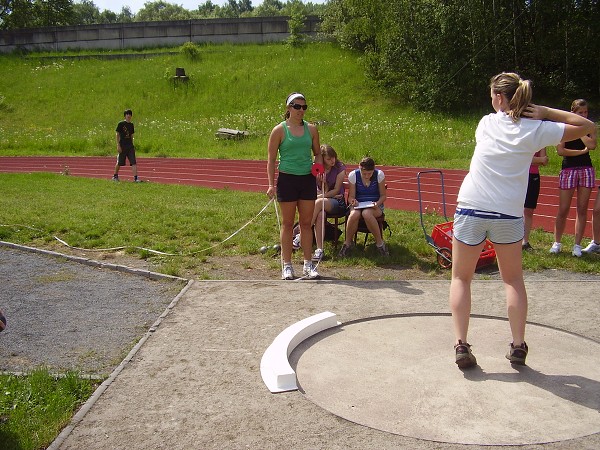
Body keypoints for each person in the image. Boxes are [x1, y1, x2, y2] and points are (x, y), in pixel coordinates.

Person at [450, 72, 595, 369]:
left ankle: (461, 345)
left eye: (493, 94)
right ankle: (518, 346)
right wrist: (545, 112)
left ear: (500, 99)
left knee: (461, 278)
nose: (491, 100)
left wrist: (537, 114)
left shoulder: (486, 123)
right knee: (513, 280)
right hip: (508, 213)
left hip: (472, 207)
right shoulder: (536, 129)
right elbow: (588, 127)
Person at [267, 92, 323, 280]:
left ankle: (308, 265)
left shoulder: (312, 129)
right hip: (287, 179)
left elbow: (317, 154)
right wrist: (270, 184)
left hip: (306, 179)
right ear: (288, 108)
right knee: (288, 223)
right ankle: (287, 265)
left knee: (306, 223)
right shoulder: (279, 130)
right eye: (297, 107)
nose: (301, 110)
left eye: (304, 107)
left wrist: (318, 170)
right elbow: (271, 159)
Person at [549, 99, 597, 257]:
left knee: (582, 209)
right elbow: (561, 151)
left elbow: (592, 146)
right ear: (573, 113)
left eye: (585, 112)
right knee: (563, 208)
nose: (584, 115)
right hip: (569, 168)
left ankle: (577, 245)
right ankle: (557, 242)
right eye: (580, 113)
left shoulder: (590, 127)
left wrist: (582, 131)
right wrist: (580, 152)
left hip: (586, 169)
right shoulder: (565, 127)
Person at [292, 144, 347, 262]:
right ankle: (320, 250)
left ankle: (299, 236)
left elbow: (336, 190)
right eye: (328, 159)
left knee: (318, 202)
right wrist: (324, 188)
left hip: (337, 202)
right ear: (322, 159)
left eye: (333, 157)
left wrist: (321, 195)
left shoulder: (340, 168)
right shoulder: (317, 169)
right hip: (322, 201)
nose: (332, 161)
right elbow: (322, 190)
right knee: (320, 214)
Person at [338, 156, 388, 257]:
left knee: (367, 213)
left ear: (373, 170)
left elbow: (383, 196)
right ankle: (347, 244)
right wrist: (352, 201)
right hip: (358, 204)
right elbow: (351, 196)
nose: (366, 176)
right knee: (354, 214)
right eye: (364, 173)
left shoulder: (379, 175)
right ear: (359, 169)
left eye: (369, 173)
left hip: (374, 205)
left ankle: (380, 244)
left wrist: (377, 203)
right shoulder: (353, 175)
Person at [522, 148, 548, 250]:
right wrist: (537, 160)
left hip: (533, 175)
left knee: (528, 210)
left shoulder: (539, 137)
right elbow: (516, 157)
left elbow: (544, 160)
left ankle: (525, 241)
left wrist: (527, 158)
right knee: (512, 207)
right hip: (517, 174)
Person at [113, 109, 140, 182]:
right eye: (127, 114)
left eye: (130, 114)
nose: (128, 115)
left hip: (130, 146)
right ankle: (115, 176)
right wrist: (118, 145)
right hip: (122, 145)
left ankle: (136, 178)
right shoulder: (121, 124)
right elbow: (117, 134)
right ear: (125, 116)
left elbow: (131, 135)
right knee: (120, 162)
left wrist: (132, 144)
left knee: (133, 162)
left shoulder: (131, 125)